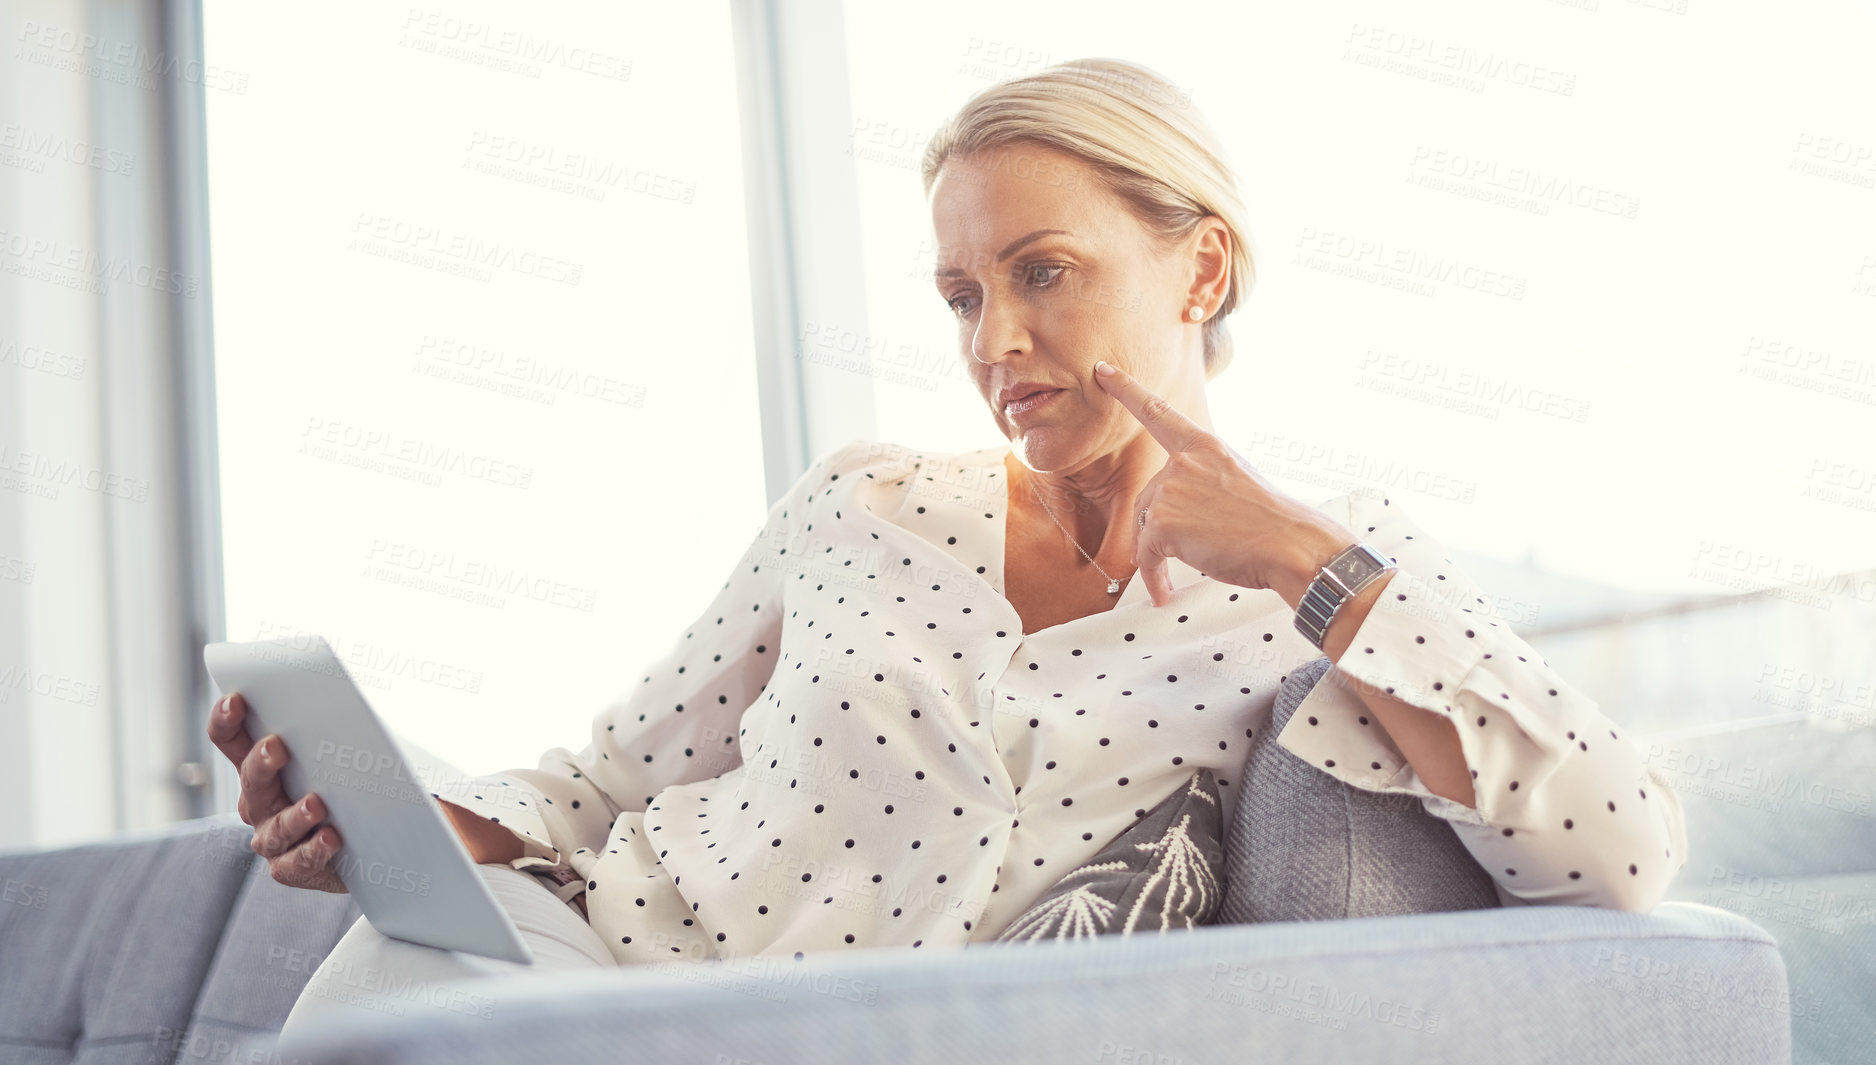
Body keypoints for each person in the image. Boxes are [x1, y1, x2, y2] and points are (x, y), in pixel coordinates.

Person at [209, 57, 1687, 1040]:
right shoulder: (862, 503)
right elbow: (600, 789)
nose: (1001, 343)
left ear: (1205, 262)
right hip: (595, 970)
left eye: (1044, 273)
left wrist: (1306, 560)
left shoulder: (1324, 579)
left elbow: (1623, 849)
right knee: (407, 1004)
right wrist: (390, 826)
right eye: (963, 295)